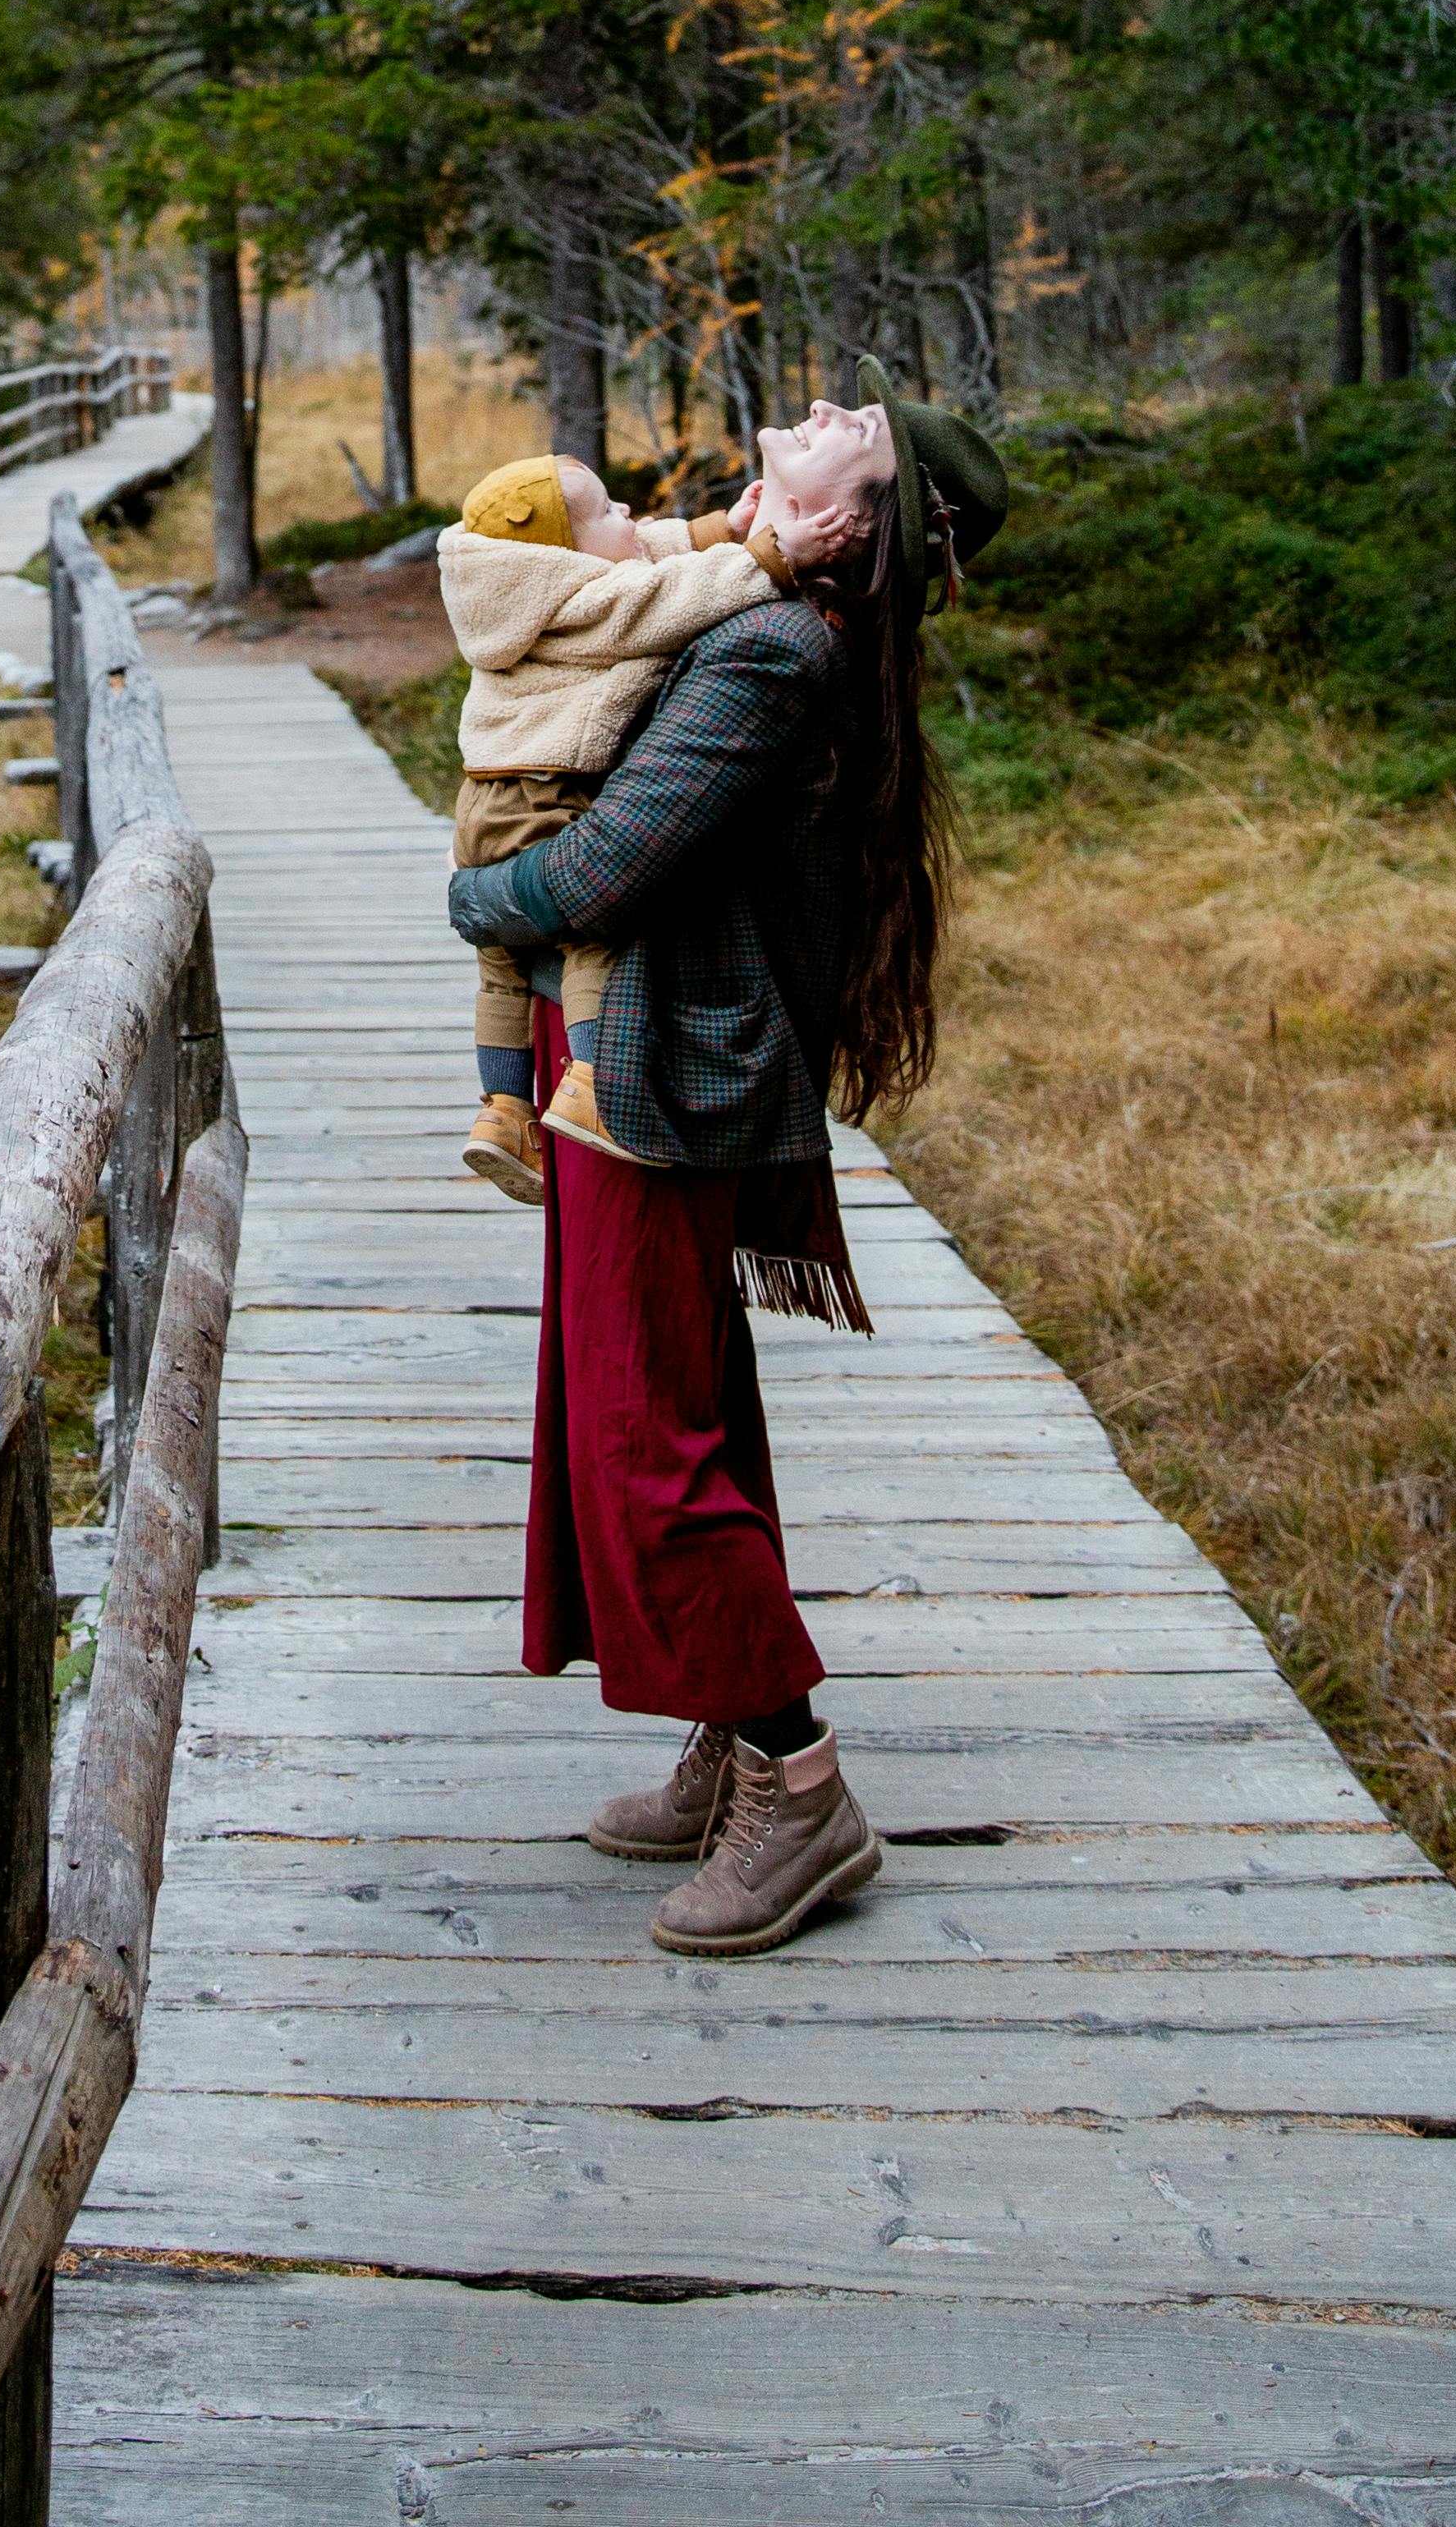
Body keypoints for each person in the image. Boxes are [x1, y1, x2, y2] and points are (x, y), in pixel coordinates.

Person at [448, 359, 1008, 1958]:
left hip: (653, 1073)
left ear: (854, 521)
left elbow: (606, 870)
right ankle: (722, 1731)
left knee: (643, 1430)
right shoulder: (746, 614)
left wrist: (471, 902)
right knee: (668, 1395)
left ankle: (797, 1784)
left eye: (855, 435)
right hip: (632, 1058)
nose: (820, 413)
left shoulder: (767, 652)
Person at [439, 447, 786, 1200]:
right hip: (548, 794)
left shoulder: (517, 594)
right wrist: (763, 561)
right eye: (607, 509)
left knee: (500, 966)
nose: (632, 514)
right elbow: (659, 599)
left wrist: (719, 525)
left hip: (479, 809)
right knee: (590, 935)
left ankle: (502, 1112)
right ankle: (592, 1086)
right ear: (561, 551)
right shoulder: (589, 607)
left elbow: (641, 553)